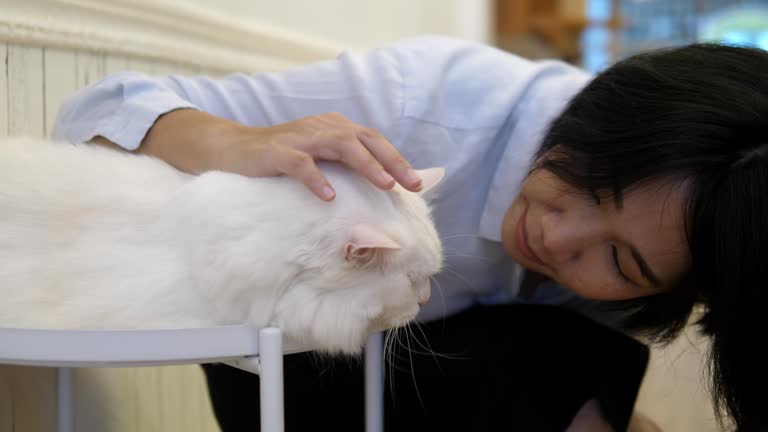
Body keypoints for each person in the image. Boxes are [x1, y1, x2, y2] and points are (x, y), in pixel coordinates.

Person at [51, 35, 767, 430]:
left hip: (452, 373)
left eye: (619, 259)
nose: (559, 235)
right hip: (295, 373)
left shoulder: (677, 261)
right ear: (601, 111)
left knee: (590, 360)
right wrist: (236, 142)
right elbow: (92, 115)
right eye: (587, 182)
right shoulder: (427, 101)